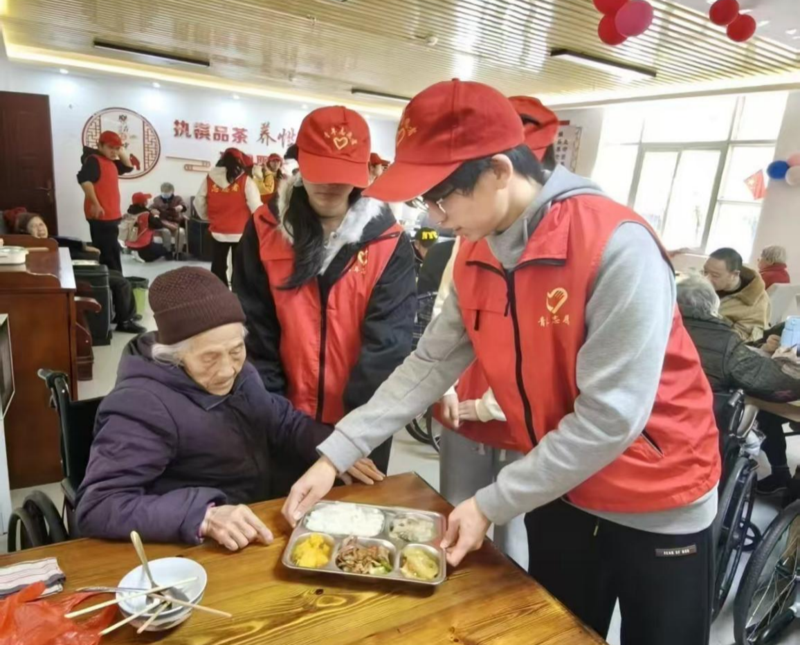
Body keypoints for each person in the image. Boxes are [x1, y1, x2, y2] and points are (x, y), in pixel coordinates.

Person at [283, 80, 720, 645]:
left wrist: (491, 503)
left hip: (655, 497)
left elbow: (611, 418)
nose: (436, 219)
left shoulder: (615, 246)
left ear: (497, 170)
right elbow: (428, 364)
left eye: (442, 198)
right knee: (560, 631)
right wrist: (336, 453)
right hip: (558, 485)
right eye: (425, 202)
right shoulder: (476, 250)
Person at [76, 267, 382, 547]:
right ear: (174, 355)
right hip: (199, 544)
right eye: (209, 358)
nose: (227, 370)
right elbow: (98, 506)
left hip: (258, 513)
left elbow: (279, 419)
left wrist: (334, 450)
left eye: (236, 351)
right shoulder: (141, 405)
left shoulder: (240, 370)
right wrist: (204, 516)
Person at [232, 105, 416, 479]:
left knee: (354, 514)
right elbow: (254, 331)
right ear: (299, 163)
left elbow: (387, 347)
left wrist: (352, 437)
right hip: (282, 420)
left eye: (342, 174)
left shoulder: (388, 242)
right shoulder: (264, 229)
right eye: (320, 171)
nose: (330, 185)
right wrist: (281, 420)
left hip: (362, 427)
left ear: (364, 174)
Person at [431, 93, 562, 569]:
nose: (439, 219)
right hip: (470, 397)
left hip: (528, 418)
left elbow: (547, 363)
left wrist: (490, 405)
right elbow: (445, 322)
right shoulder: (471, 240)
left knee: (514, 522)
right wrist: (446, 385)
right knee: (456, 508)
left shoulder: (581, 241)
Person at [15, 212, 145, 334]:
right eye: (34, 226)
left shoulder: (48, 241)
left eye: (41, 224)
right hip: (65, 278)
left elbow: (65, 242)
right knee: (121, 282)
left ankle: (124, 314)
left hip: (68, 270)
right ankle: (125, 322)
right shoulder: (32, 247)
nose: (40, 229)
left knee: (117, 274)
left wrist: (83, 247)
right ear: (25, 232)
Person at [677, 273, 800, 401]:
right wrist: (783, 362)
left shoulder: (667, 329)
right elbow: (778, 386)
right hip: (699, 409)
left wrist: (764, 348)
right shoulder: (725, 342)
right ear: (715, 304)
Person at [194, 148, 261, 286]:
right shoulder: (245, 180)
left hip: (217, 230)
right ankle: (238, 290)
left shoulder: (210, 178)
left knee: (218, 263)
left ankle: (218, 289)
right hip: (240, 231)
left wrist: (207, 216)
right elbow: (256, 206)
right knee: (239, 264)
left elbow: (198, 201)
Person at [77, 130, 135, 274]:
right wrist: (96, 204)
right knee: (109, 255)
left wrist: (120, 150)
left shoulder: (110, 162)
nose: (114, 151)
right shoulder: (94, 160)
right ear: (100, 146)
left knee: (110, 252)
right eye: (110, 147)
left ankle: (113, 280)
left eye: (116, 148)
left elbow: (128, 167)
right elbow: (84, 181)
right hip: (101, 215)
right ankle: (115, 281)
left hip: (111, 214)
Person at [704, 247, 770, 342]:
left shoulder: (756, 302)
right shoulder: (701, 283)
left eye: (715, 275)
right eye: (705, 272)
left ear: (735, 274)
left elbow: (741, 338)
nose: (706, 278)